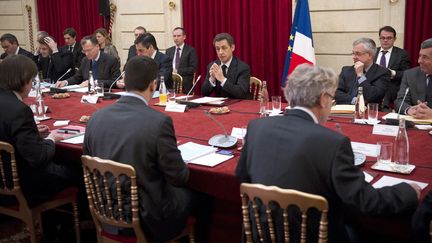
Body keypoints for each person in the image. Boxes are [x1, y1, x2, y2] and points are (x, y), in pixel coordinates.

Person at [235, 63, 420, 242]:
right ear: (324, 99)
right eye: (332, 98)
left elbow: (242, 177)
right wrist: (408, 192)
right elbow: (366, 202)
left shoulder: (256, 127)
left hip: (262, 234)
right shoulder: (333, 143)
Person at [83, 56, 193, 241]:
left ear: (125, 81)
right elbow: (179, 176)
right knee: (199, 197)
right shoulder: (159, 122)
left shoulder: (95, 118)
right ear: (153, 85)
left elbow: (87, 161)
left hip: (104, 207)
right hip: (146, 217)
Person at [0, 55, 73, 208]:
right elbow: (39, 158)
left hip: (3, 179)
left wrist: (32, 132)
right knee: (78, 170)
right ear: (24, 80)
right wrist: (51, 139)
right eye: (32, 81)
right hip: (24, 184)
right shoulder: (19, 110)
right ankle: (65, 224)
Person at [335, 37, 390, 104]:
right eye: (353, 53)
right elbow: (336, 92)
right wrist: (354, 100)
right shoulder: (346, 70)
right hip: (344, 110)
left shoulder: (382, 72)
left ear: (369, 55)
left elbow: (372, 96)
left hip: (368, 112)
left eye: (358, 54)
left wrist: (360, 76)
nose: (354, 57)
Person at [55, 35, 121, 88]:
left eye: (89, 50)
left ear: (97, 47)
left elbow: (116, 81)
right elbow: (78, 77)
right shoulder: (85, 60)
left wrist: (94, 82)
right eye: (84, 51)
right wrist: (66, 82)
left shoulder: (111, 60)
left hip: (103, 94)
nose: (86, 53)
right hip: (86, 94)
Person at [201, 33, 250, 99]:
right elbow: (204, 93)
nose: (220, 52)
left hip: (237, 106)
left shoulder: (243, 68)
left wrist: (222, 80)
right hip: (219, 107)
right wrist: (212, 79)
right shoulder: (212, 66)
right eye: (218, 49)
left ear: (232, 48)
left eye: (224, 48)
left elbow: (241, 93)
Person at [374, 26, 411, 110]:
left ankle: (385, 109)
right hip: (373, 87)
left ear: (394, 39)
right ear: (379, 38)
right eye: (383, 38)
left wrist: (392, 73)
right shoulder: (373, 52)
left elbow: (407, 74)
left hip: (391, 87)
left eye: (389, 38)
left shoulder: (402, 54)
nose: (385, 40)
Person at [395, 38, 432, 119]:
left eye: (425, 57)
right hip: (415, 126)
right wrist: (409, 109)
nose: (419, 61)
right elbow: (400, 101)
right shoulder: (410, 75)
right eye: (420, 56)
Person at [165, 27, 197, 93]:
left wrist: (177, 71)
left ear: (184, 37)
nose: (176, 38)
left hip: (184, 82)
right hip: (170, 83)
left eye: (178, 36)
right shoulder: (169, 51)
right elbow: (165, 66)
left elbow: (192, 69)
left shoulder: (191, 50)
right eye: (174, 36)